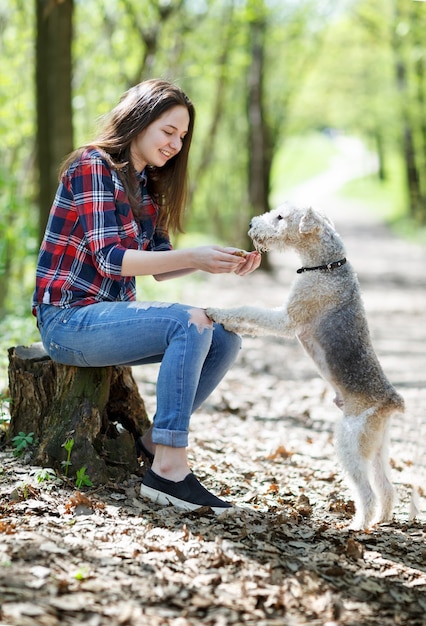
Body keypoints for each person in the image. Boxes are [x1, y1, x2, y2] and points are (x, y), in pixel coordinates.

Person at [32, 78, 261, 514]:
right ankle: (169, 471)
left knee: (225, 334)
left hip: (108, 318)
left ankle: (157, 442)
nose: (176, 144)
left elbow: (158, 264)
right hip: (66, 320)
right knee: (186, 320)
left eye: (183, 136)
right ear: (138, 120)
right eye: (168, 131)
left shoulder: (146, 186)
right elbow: (110, 259)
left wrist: (209, 260)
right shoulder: (91, 165)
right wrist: (192, 254)